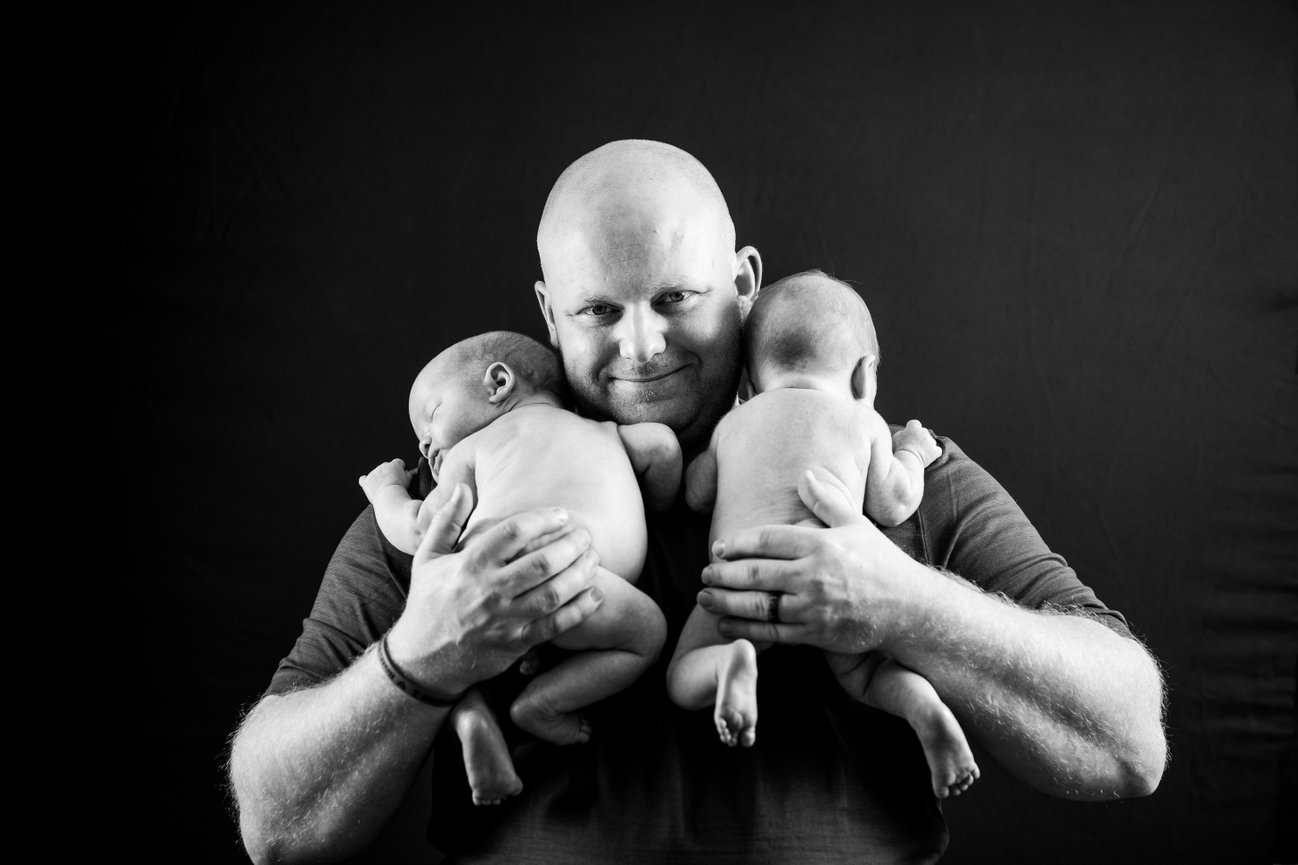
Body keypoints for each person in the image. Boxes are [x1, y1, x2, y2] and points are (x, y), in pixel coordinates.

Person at [228, 139, 1167, 865]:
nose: (642, 346)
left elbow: (1128, 740)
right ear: (550, 315)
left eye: (676, 297)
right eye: (599, 311)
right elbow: (274, 823)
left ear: (744, 284)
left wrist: (907, 602)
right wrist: (421, 657)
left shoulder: (876, 461)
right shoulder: (456, 498)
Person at [666, 269, 979, 800]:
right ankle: (923, 708)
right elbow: (896, 502)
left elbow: (696, 495)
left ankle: (730, 663)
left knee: (680, 680)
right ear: (865, 376)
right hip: (837, 589)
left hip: (740, 583)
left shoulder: (735, 424)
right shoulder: (865, 425)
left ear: (747, 383)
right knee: (867, 675)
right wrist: (914, 453)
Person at [357, 329, 676, 806]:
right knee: (647, 632)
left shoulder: (472, 450)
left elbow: (422, 528)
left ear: (499, 382)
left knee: (459, 658)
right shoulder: (606, 434)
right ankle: (543, 702)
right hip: (581, 581)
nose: (424, 448)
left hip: (488, 581)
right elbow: (664, 449)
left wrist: (386, 492)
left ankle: (473, 717)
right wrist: (653, 505)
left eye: (431, 418)